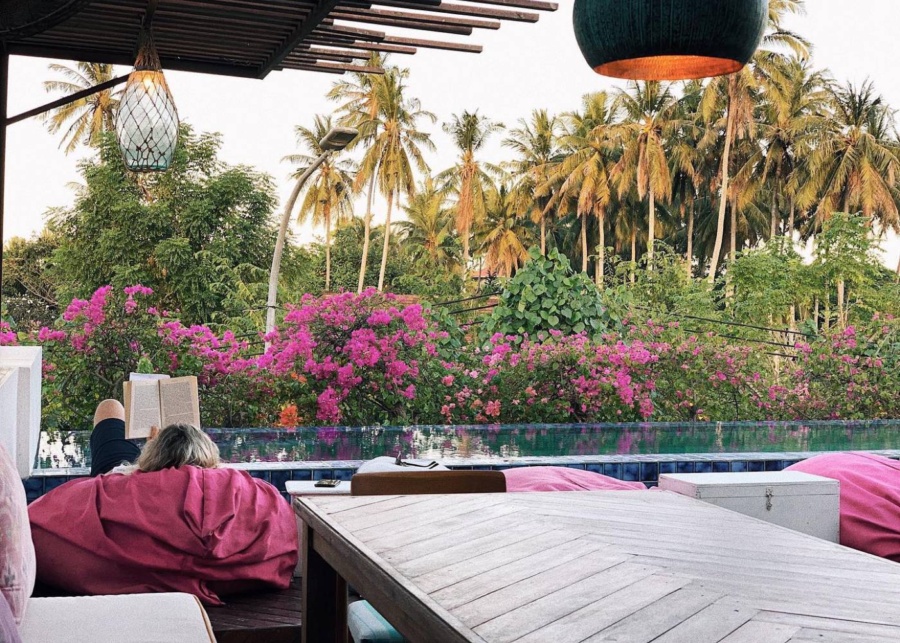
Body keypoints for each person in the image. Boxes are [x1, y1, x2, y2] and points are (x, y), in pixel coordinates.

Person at [28, 400, 298, 605]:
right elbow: (282, 534)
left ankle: (156, 449)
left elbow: (39, 523)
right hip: (157, 475)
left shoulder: (107, 490)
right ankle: (178, 450)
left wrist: (141, 467)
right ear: (212, 463)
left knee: (110, 408)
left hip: (128, 476)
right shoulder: (246, 490)